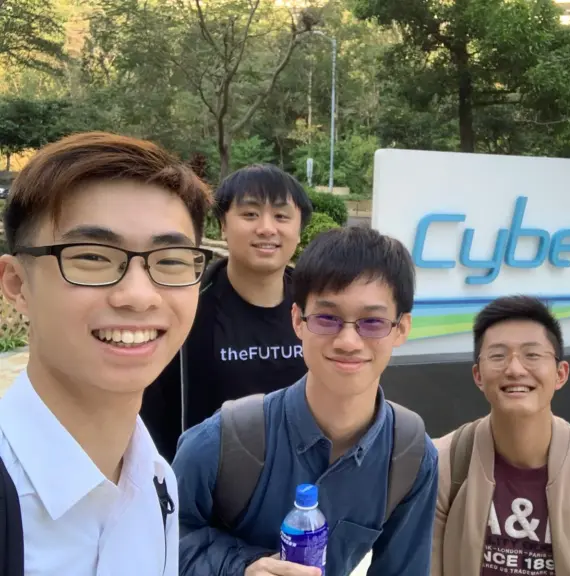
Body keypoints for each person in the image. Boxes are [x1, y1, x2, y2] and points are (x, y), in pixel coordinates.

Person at [0, 132, 213, 575]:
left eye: (171, 260)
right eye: (93, 257)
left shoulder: (157, 480)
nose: (138, 296)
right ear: (16, 284)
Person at [173, 226, 439, 576]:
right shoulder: (224, 442)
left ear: (401, 329)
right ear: (298, 320)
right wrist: (242, 566)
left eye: (372, 322)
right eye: (327, 318)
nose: (348, 341)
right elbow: (157, 539)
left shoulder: (409, 457)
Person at [431, 296, 570, 576]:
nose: (515, 369)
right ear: (478, 375)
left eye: (532, 355)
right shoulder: (442, 465)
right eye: (498, 355)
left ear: (560, 374)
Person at [141, 164, 313, 462]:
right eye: (250, 214)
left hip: (300, 483)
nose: (267, 228)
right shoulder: (185, 304)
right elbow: (152, 410)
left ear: (298, 231)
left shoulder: (319, 309)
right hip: (201, 483)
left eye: (282, 216)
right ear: (222, 225)